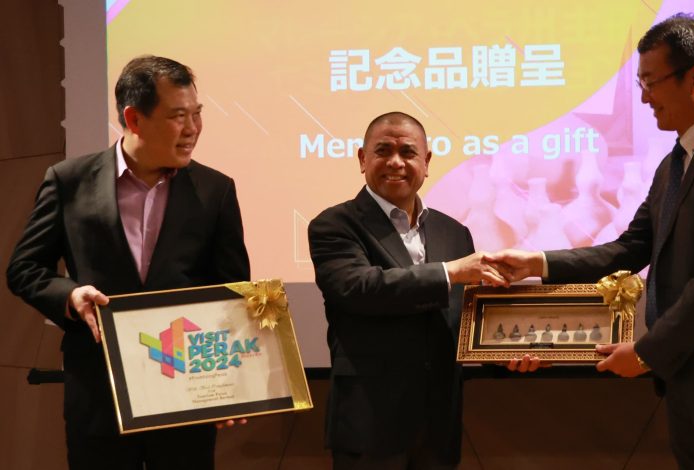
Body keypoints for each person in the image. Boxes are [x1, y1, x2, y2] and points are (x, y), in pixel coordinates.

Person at [487, 13, 694, 469]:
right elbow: (629, 249)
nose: (643, 98)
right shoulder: (674, 164)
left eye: (651, 82)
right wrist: (538, 262)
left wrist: (645, 354)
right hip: (687, 382)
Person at [6, 55, 250, 469]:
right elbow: (25, 268)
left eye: (197, 114)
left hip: (185, 397)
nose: (193, 128)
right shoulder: (69, 181)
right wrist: (70, 295)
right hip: (100, 395)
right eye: (178, 116)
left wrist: (230, 386)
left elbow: (230, 293)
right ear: (134, 119)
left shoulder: (215, 190)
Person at [308, 111, 538, 469]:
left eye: (408, 152)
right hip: (370, 424)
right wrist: (450, 272)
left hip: (438, 426)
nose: (395, 162)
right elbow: (359, 288)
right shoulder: (334, 225)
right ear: (362, 159)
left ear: (426, 162)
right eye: (383, 151)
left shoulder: (454, 232)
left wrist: (505, 350)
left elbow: (465, 320)